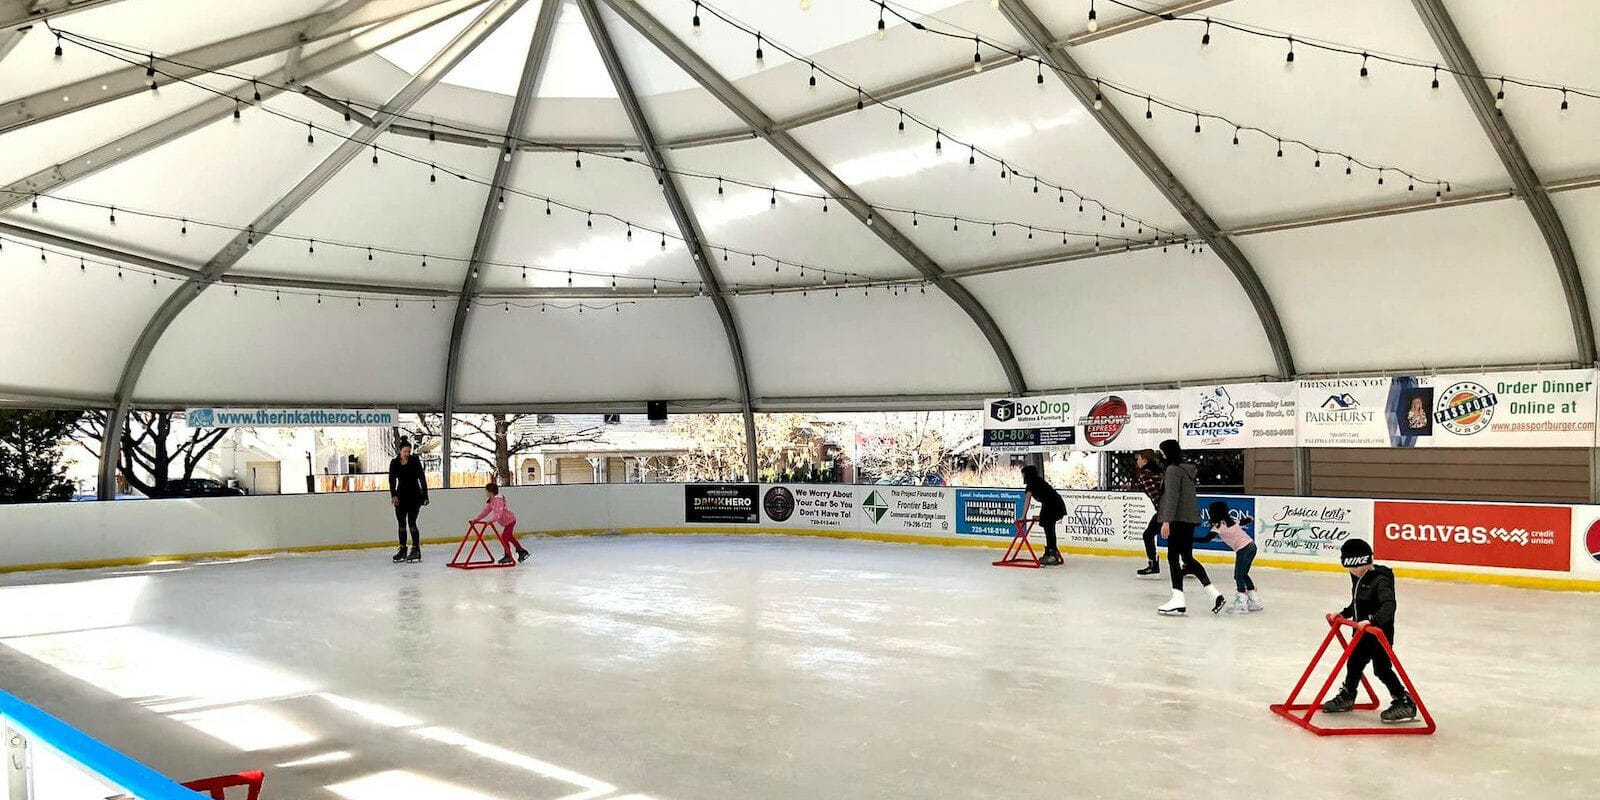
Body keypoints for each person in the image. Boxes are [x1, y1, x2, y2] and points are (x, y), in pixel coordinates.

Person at [1321, 539, 1417, 723]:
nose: (1349, 572)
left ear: (1360, 562)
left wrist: (1372, 621)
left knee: (1381, 669)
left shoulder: (1380, 580)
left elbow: (1389, 606)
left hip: (1378, 634)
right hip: (1361, 634)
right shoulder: (1359, 577)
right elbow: (1357, 603)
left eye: (1350, 567)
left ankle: (1404, 702)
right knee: (1354, 663)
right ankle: (1348, 695)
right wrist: (1343, 614)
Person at [1155, 439, 1224, 615]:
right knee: (1187, 557)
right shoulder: (1186, 470)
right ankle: (1214, 594)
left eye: (1162, 452)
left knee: (1172, 557)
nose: (1160, 455)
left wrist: (1166, 521)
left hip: (1178, 520)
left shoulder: (1172, 470)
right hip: (1189, 520)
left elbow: (1172, 497)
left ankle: (1178, 598)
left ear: (1167, 453)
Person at [1207, 501, 1261, 614]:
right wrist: (1250, 519)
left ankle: (1241, 604)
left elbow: (1206, 539)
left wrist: (1190, 540)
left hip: (1244, 549)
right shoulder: (1231, 520)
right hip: (1252, 546)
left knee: (1238, 576)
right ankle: (1254, 601)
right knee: (1243, 574)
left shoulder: (1218, 526)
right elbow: (1244, 521)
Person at [388, 438, 428, 563]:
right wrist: (394, 495)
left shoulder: (414, 461)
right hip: (401, 495)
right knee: (401, 524)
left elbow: (422, 478)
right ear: (400, 451)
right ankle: (403, 549)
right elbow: (392, 480)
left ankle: (416, 549)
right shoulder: (394, 463)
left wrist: (425, 495)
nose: (407, 454)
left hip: (415, 495)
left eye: (409, 451)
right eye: (405, 451)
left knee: (411, 522)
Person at [471, 481, 529, 565]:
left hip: (510, 521)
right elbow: (486, 511)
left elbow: (499, 514)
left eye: (486, 491)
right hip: (507, 521)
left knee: (504, 537)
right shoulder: (492, 500)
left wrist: (490, 521)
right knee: (509, 537)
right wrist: (477, 519)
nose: (486, 493)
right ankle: (521, 551)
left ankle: (508, 555)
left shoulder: (498, 500)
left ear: (490, 492)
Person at [1020, 464, 1066, 566]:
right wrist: (1042, 516)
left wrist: (1023, 517)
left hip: (1053, 506)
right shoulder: (1039, 481)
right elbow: (1047, 498)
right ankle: (1052, 552)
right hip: (1056, 505)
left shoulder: (1031, 484)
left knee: (1049, 530)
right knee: (1049, 529)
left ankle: (1052, 554)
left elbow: (1027, 500)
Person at [1131, 449, 1164, 577]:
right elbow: (1147, 486)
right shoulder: (1158, 471)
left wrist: (1161, 510)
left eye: (1138, 459)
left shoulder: (1144, 473)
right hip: (1169, 508)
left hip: (1163, 509)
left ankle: (1153, 565)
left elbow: (1153, 493)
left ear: (1144, 460)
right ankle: (1187, 562)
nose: (1137, 462)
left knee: (1148, 535)